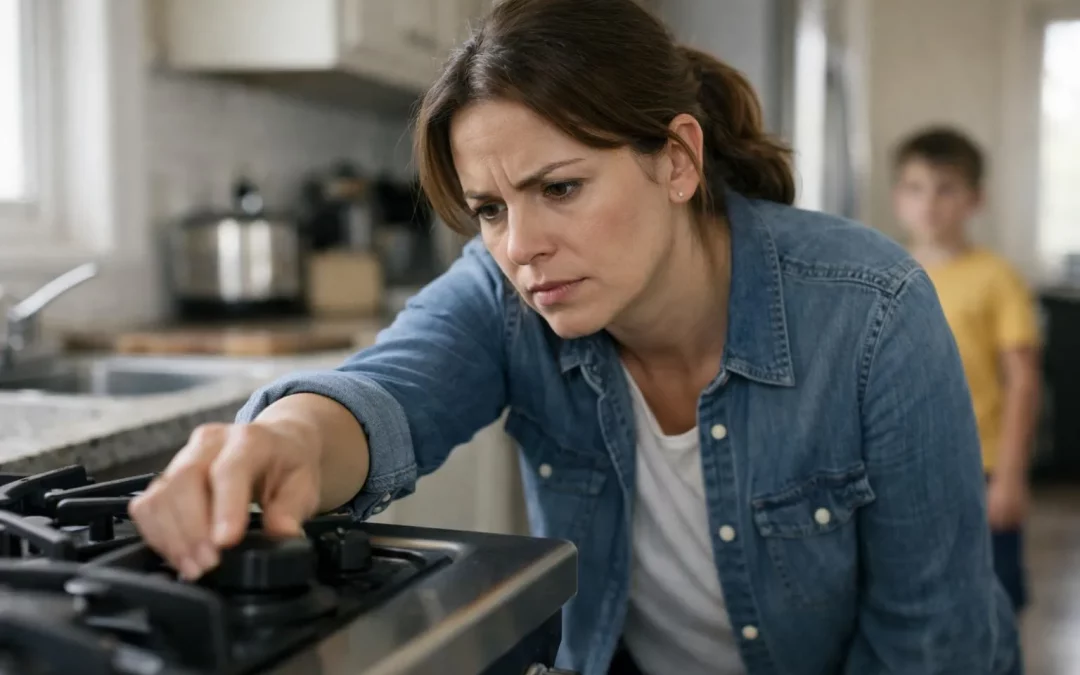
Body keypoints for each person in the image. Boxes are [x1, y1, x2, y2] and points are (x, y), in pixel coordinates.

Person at [129, 1, 1021, 673]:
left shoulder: (871, 310)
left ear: (677, 159)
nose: (521, 247)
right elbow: (390, 391)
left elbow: (930, 641)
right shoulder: (508, 293)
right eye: (489, 209)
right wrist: (283, 438)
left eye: (560, 187)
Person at [892, 126, 1043, 620]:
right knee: (916, 605)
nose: (929, 203)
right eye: (916, 188)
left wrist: (1011, 477)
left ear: (974, 199)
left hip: (982, 469)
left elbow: (1023, 380)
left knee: (991, 606)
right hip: (902, 470)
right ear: (898, 198)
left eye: (946, 188)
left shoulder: (997, 277)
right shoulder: (883, 272)